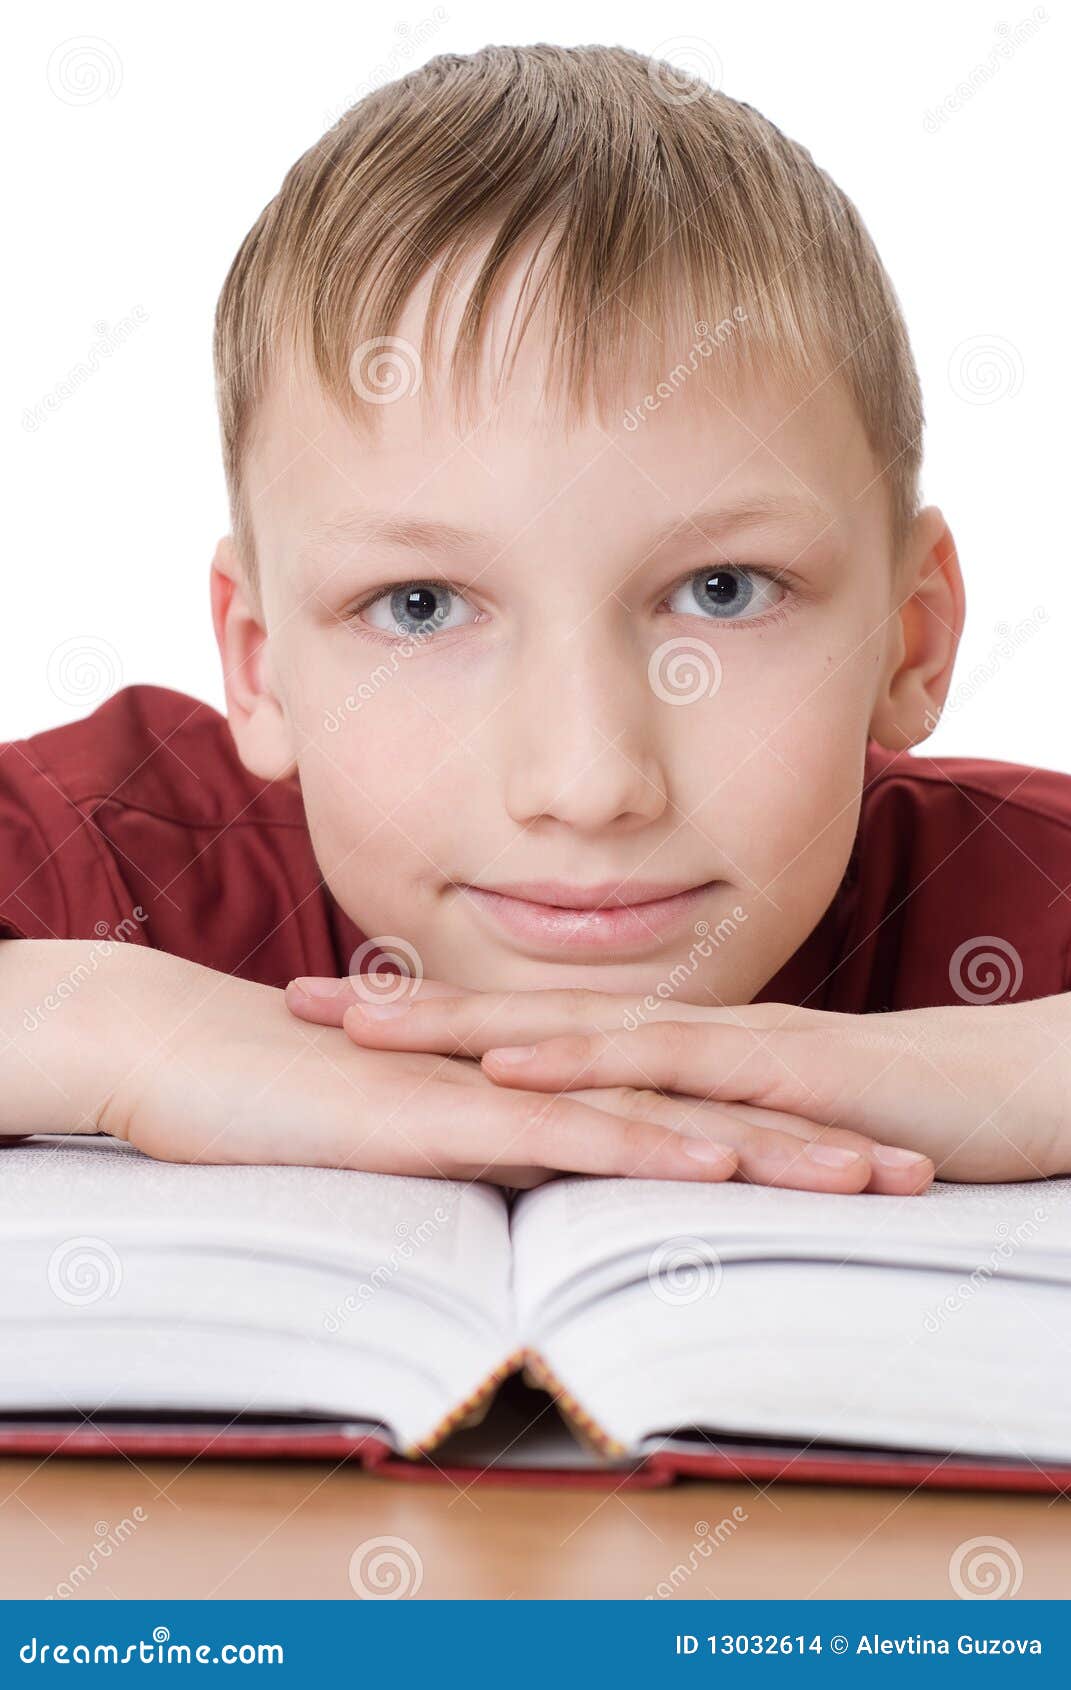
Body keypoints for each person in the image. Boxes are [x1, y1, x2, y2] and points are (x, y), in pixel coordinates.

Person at [3, 45, 1068, 1194]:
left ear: (910, 637)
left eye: (724, 589)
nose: (589, 784)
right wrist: (109, 1029)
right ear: (260, 668)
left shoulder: (1020, 898)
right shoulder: (118, 872)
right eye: (419, 607)